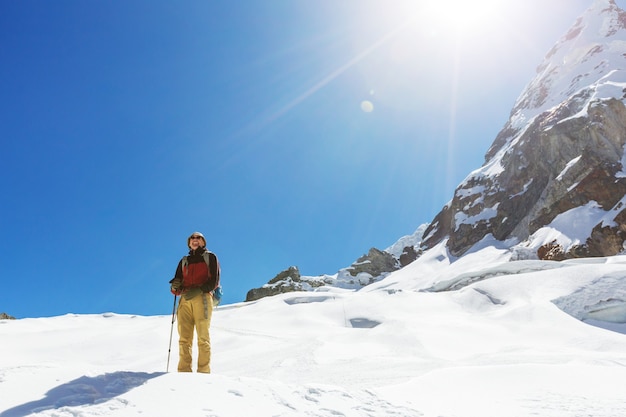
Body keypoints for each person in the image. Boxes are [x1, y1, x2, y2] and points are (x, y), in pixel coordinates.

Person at [169, 231, 220, 373]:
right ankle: (184, 371)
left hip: (202, 297)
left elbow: (214, 281)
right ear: (189, 243)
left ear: (203, 242)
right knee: (184, 338)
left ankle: (203, 372)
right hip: (185, 299)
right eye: (192, 238)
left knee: (203, 336)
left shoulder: (210, 257)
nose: (195, 239)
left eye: (199, 238)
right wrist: (174, 287)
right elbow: (176, 286)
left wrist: (199, 290)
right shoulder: (184, 261)